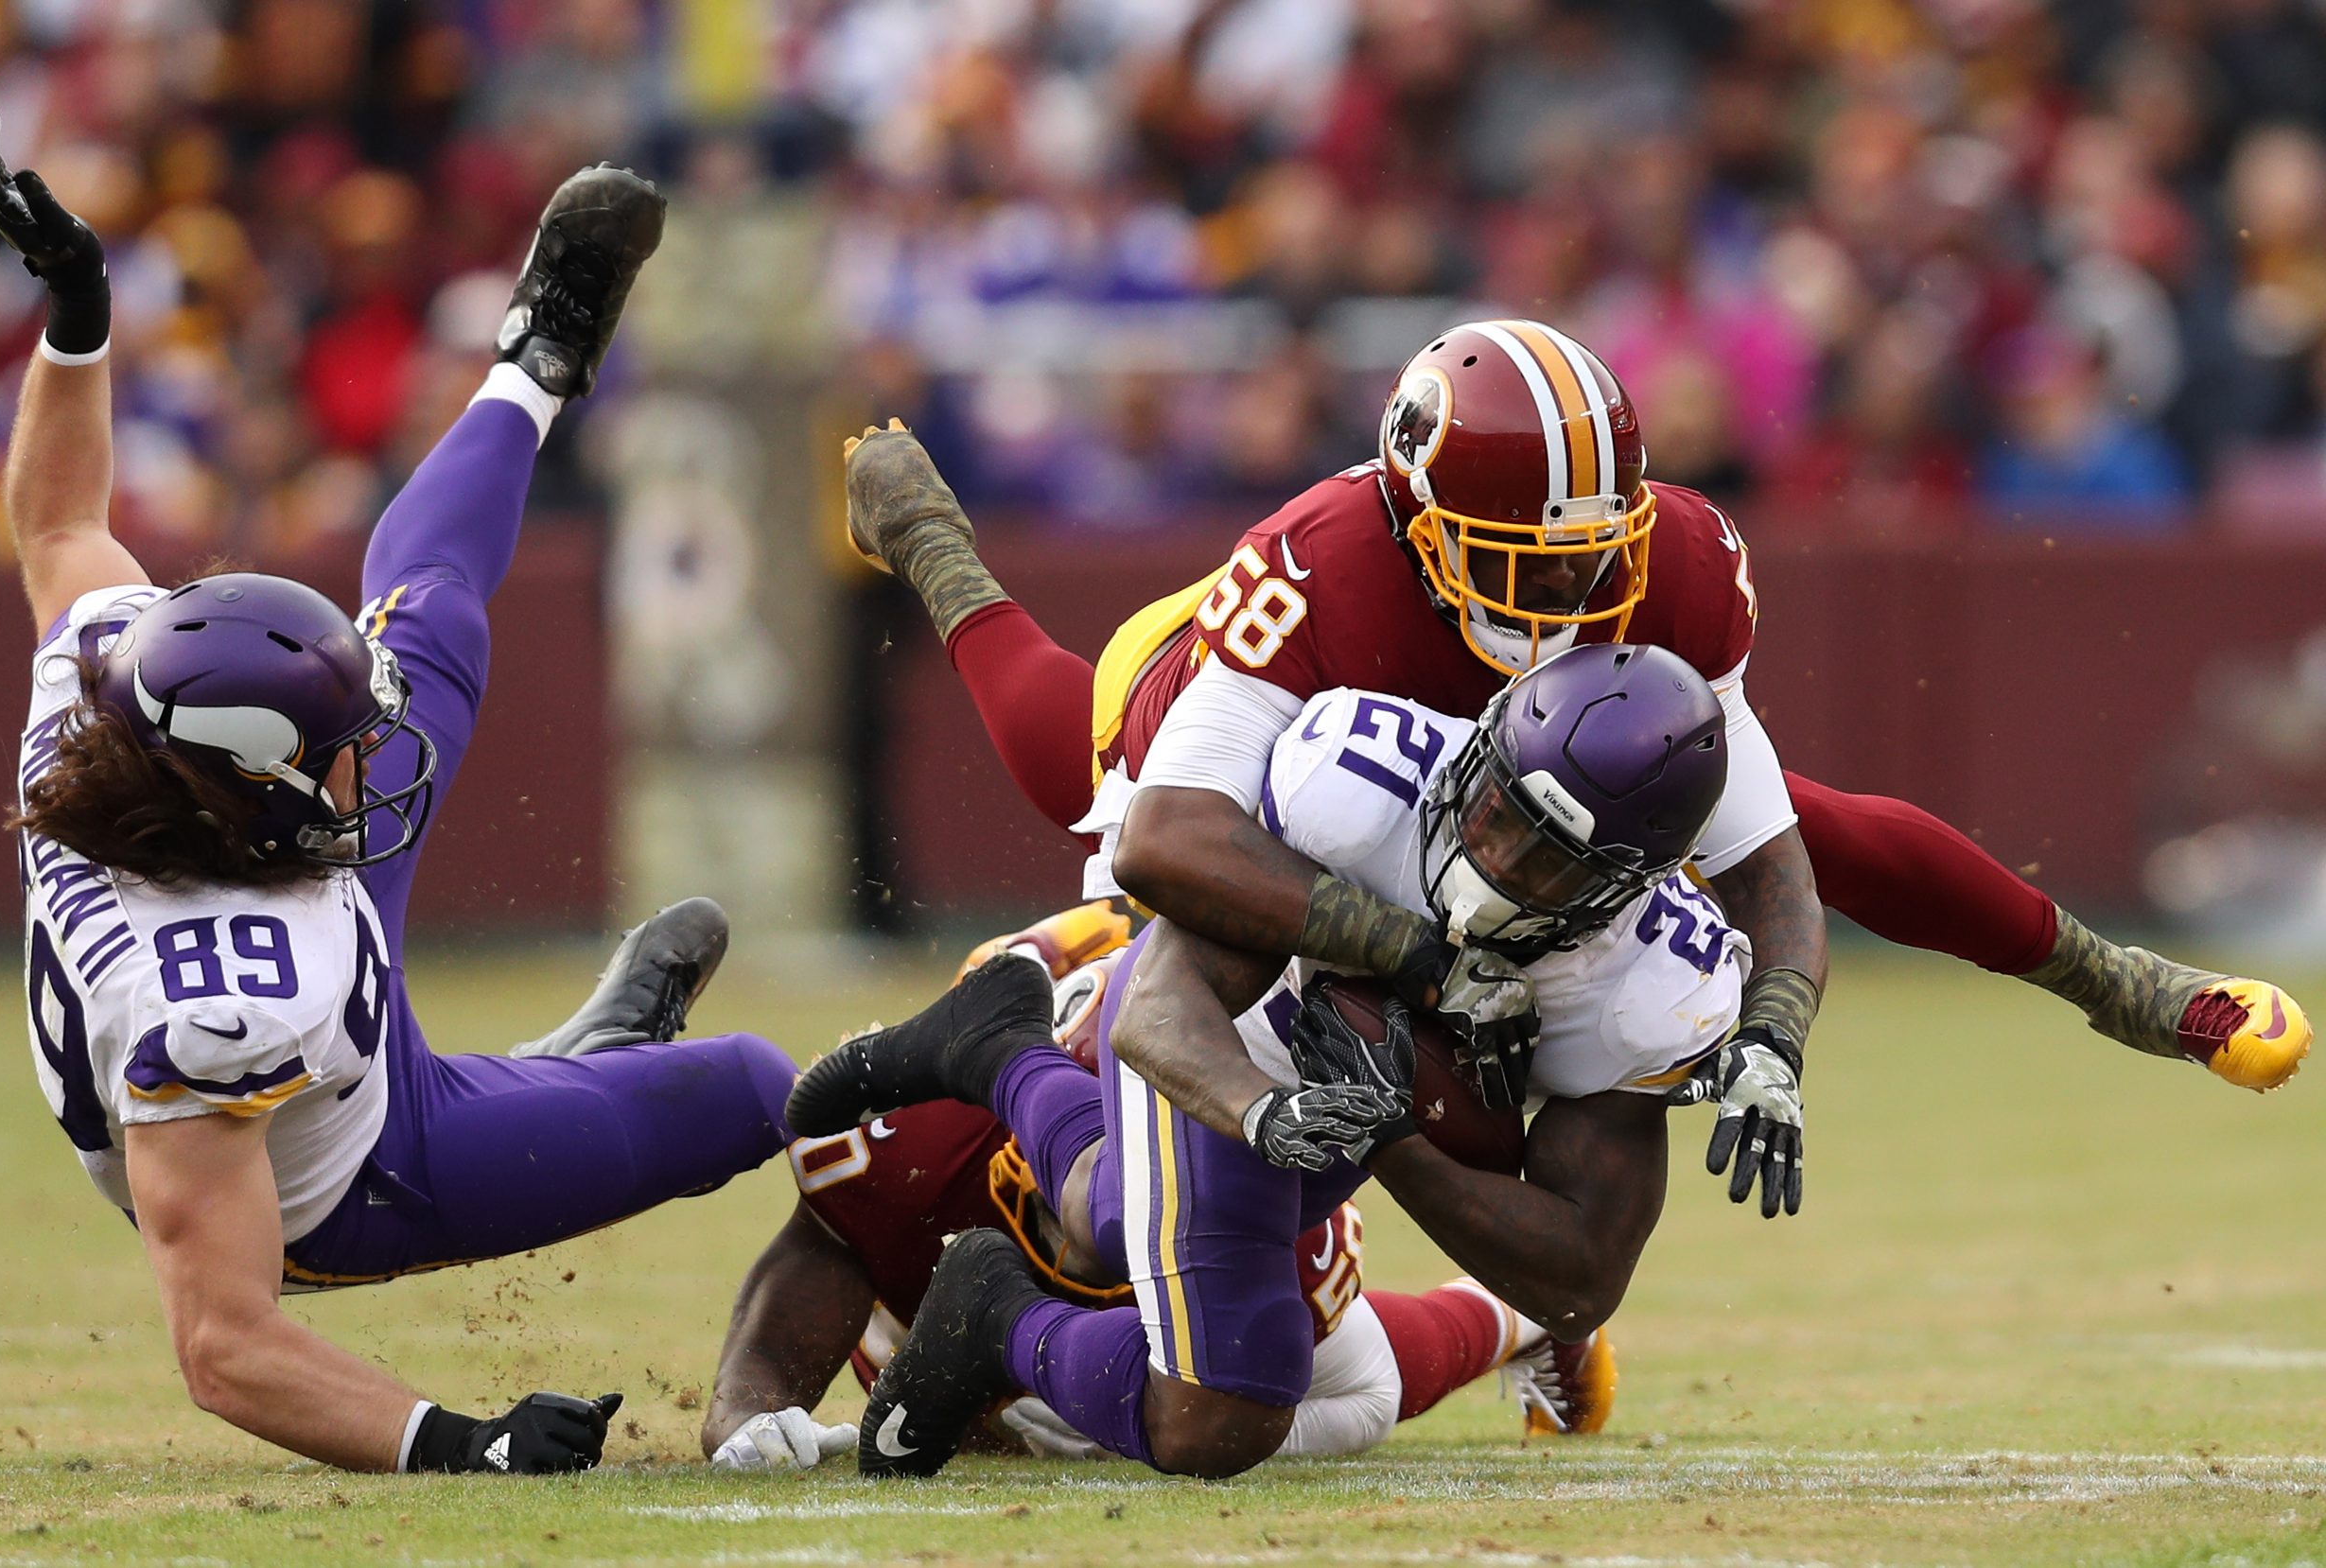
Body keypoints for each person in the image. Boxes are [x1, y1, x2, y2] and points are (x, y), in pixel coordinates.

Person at [837, 322, 2311, 1220]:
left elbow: (1775, 849)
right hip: (1285, 748)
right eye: (1517, 561)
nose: (1565, 602)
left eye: (1589, 556)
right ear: (1417, 522)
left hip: (1489, 795)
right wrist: (1417, 955)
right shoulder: (1320, 572)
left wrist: (1776, 1035)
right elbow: (1165, 839)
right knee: (1068, 772)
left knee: (1806, 815)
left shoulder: (1667, 557)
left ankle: (2127, 984)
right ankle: (941, 551)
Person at [0, 110, 797, 1475]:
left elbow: (62, 523)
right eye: (340, 743)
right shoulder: (218, 1003)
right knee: (753, 1087)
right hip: (351, 1172)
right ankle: (573, 1077)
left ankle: (535, 367)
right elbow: (224, 1340)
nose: (380, 748)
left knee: (432, 620)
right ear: (253, 780)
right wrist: (456, 1442)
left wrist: (75, 315)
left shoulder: (108, 691)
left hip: (293, 921)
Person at [797, 643, 1740, 1477]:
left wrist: (1392, 1137)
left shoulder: (1648, 987)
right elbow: (1159, 1006)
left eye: (1545, 859)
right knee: (1221, 1417)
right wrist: (1267, 1112)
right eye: (1494, 807)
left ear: (1624, 886)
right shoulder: (1356, 785)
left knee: (1171, 1254)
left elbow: (1579, 1275)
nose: (1490, 854)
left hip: (1342, 1116)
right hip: (1232, 1041)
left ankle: (999, 1054)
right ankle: (1002, 1314)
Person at [706, 906, 1606, 1472]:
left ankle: (1509, 1319)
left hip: (1201, 1156)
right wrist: (748, 1415)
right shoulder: (916, 1142)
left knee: (1339, 1391)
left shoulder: (1244, 1179)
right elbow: (817, 1251)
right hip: (1067, 1023)